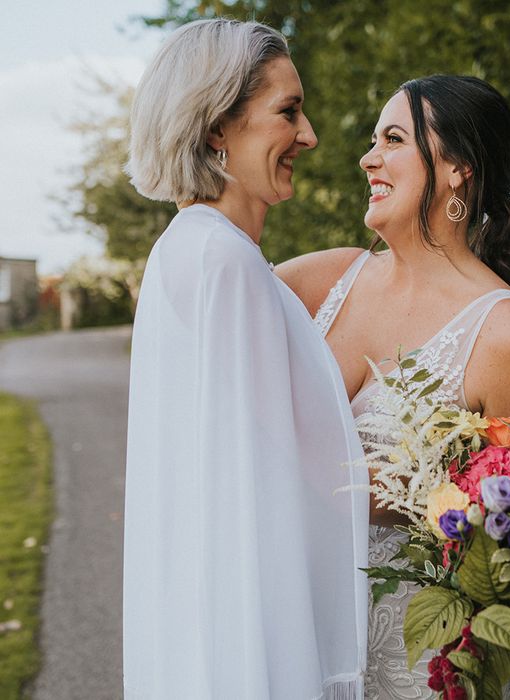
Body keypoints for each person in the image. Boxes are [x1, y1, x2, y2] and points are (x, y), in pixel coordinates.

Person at [277, 75, 510, 698]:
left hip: (412, 662)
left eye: (393, 139)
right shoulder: (323, 280)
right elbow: (202, 309)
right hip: (292, 627)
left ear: (458, 171)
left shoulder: (505, 336)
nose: (368, 158)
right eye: (374, 139)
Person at [123, 19, 368, 699]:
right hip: (252, 635)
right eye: (288, 112)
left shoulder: (195, 250)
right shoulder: (224, 264)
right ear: (215, 129)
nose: (310, 135)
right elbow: (271, 479)